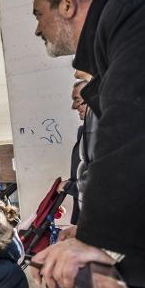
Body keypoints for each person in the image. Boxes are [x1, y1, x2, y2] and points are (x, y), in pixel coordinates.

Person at [31, 0, 145, 288]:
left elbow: (134, 121)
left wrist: (94, 238)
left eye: (39, 14)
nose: (37, 28)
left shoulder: (132, 13)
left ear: (67, 4)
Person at [57, 79, 88, 224]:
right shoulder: (84, 131)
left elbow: (102, 179)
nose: (74, 106)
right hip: (84, 213)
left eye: (78, 100)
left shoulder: (102, 132)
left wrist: (70, 186)